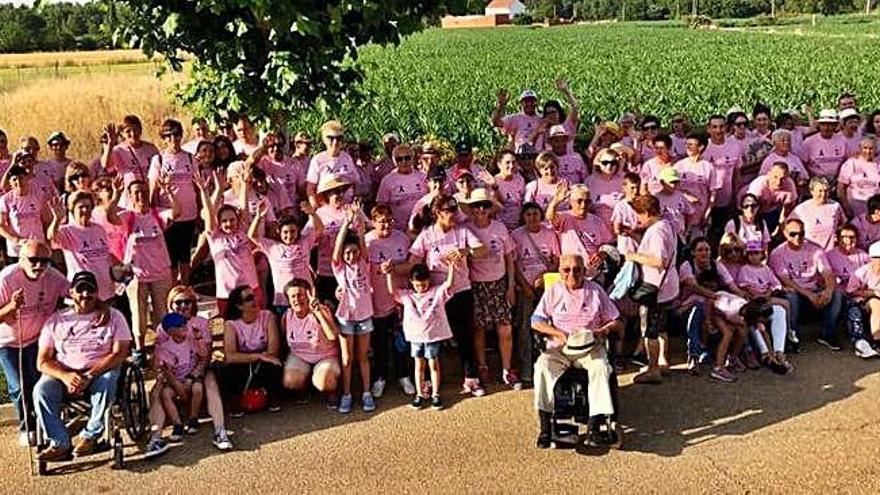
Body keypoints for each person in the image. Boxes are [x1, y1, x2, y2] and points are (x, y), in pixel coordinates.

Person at [33, 271, 132, 461]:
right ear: (71, 292)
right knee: (41, 390)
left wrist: (90, 375)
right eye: (80, 289)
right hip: (63, 374)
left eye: (90, 289)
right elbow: (42, 361)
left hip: (99, 371)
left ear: (97, 292)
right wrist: (66, 376)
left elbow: (120, 353)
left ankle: (91, 435)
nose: (85, 294)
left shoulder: (115, 317)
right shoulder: (56, 320)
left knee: (109, 379)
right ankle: (59, 442)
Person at [531, 254, 622, 448]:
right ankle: (546, 427)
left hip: (589, 347)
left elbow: (616, 320)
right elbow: (536, 321)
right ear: (560, 272)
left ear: (584, 270)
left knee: (601, 367)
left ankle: (595, 426)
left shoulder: (595, 291)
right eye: (566, 269)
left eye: (577, 269)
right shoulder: (553, 291)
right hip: (560, 348)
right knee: (541, 367)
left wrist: (602, 331)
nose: (572, 274)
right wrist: (557, 333)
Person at [408, 194, 488, 396]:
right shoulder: (426, 236)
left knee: (465, 336)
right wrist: (389, 270)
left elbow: (482, 250)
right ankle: (426, 382)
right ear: (437, 213)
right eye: (448, 209)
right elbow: (412, 263)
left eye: (454, 208)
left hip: (461, 290)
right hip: (434, 296)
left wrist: (465, 251)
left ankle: (471, 379)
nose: (453, 213)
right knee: (430, 339)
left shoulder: (462, 232)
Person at [0, 241, 69, 446]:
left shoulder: (53, 277)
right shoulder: (7, 278)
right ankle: (27, 427)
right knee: (19, 386)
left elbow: (73, 293)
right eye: (33, 260)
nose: (39, 265)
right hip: (9, 341)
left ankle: (46, 425)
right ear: (21, 259)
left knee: (41, 385)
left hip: (39, 338)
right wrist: (11, 307)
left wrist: (99, 307)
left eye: (44, 261)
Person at [154, 286, 231, 450]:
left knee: (209, 382)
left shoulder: (200, 323)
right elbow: (160, 360)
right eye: (178, 302)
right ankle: (157, 436)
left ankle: (220, 429)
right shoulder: (164, 327)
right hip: (173, 373)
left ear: (193, 304)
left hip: (197, 368)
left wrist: (194, 375)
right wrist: (174, 382)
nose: (183, 306)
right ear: (171, 305)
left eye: (187, 302)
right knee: (159, 389)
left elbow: (206, 355)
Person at [462, 189, 519, 389]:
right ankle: (483, 366)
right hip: (477, 283)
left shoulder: (500, 228)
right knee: (479, 329)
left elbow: (509, 258)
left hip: (499, 282)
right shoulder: (466, 229)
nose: (481, 210)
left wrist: (510, 285)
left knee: (505, 328)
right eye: (477, 206)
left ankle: (506, 368)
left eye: (485, 205)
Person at [118, 179, 179, 353]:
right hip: (136, 274)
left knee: (162, 312)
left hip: (160, 272)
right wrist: (115, 195)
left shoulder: (157, 214)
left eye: (144, 191)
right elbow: (110, 216)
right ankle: (140, 349)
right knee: (138, 314)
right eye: (136, 192)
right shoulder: (128, 217)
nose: (141, 195)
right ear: (130, 195)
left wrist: (170, 193)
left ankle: (164, 347)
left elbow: (177, 212)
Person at [386, 261, 457, 410]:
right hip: (415, 337)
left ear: (428, 281)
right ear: (412, 282)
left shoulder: (436, 292)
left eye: (424, 284)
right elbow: (392, 291)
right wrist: (389, 273)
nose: (421, 287)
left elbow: (449, 284)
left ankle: (436, 394)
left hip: (432, 336)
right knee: (419, 365)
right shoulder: (407, 295)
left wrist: (451, 267)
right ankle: (419, 394)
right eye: (417, 285)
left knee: (433, 364)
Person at [625, 194, 679, 384]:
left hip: (656, 287)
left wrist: (632, 256)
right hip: (668, 284)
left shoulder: (656, 231)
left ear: (647, 213)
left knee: (650, 329)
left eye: (639, 214)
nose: (638, 219)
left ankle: (653, 368)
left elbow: (658, 261)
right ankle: (662, 361)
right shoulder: (667, 225)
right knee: (662, 325)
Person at [194, 174, 263, 316]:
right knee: (231, 328)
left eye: (232, 220)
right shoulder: (215, 237)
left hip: (251, 287)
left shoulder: (244, 231)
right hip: (227, 293)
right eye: (224, 221)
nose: (229, 223)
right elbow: (209, 212)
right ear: (219, 223)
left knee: (256, 325)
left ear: (237, 220)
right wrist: (207, 191)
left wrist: (244, 183)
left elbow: (243, 208)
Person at [770, 218, 842, 352]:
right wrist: (809, 295)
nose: (798, 237)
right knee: (791, 296)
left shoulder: (815, 250)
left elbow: (827, 273)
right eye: (793, 234)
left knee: (836, 293)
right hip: (796, 293)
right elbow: (786, 280)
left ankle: (827, 334)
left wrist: (828, 290)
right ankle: (792, 337)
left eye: (801, 233)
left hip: (814, 291)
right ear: (785, 233)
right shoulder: (777, 254)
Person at [330, 204, 376, 413]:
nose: (350, 256)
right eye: (347, 253)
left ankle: (366, 393)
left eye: (354, 252)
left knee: (363, 356)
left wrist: (358, 225)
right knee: (346, 358)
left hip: (364, 315)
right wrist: (346, 223)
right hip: (346, 317)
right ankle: (346, 394)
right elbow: (337, 249)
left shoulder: (364, 263)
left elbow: (363, 244)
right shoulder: (339, 268)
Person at [364, 204, 414, 396]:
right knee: (380, 342)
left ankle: (404, 376)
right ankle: (379, 378)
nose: (386, 225)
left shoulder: (402, 238)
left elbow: (411, 265)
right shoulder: (367, 241)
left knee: (401, 342)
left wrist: (395, 269)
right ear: (373, 222)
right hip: (377, 301)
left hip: (401, 300)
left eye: (389, 220)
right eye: (381, 222)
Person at [149, 119, 200, 284]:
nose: (173, 139)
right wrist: (152, 216)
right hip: (169, 216)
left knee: (185, 255)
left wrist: (200, 211)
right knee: (171, 256)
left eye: (176, 135)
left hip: (189, 214)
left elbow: (197, 186)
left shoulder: (190, 158)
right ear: (163, 139)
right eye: (169, 136)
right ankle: (171, 289)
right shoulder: (159, 160)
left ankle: (185, 287)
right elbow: (152, 189)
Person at [248, 201, 323, 314]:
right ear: (279, 232)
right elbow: (252, 235)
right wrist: (258, 217)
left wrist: (312, 214)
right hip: (282, 300)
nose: (289, 235)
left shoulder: (305, 242)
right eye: (285, 232)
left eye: (292, 231)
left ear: (298, 230)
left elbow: (320, 228)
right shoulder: (272, 247)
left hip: (306, 298)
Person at [47, 191, 118, 305]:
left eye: (88, 207)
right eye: (81, 207)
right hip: (83, 294)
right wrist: (57, 219)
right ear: (73, 210)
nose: (85, 210)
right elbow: (51, 236)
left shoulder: (99, 229)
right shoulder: (67, 231)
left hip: (106, 292)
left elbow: (106, 256)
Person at [221, 285, 283, 415]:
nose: (255, 300)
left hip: (263, 361)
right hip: (247, 361)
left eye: (254, 296)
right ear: (239, 306)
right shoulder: (231, 324)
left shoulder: (267, 316)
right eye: (249, 298)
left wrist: (261, 358)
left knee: (272, 365)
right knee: (229, 370)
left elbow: (273, 351)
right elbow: (230, 356)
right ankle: (236, 403)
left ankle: (271, 397)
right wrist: (258, 356)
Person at [280, 279, 341, 405]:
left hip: (325, 355)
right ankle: (306, 385)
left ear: (308, 295)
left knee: (324, 382)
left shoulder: (321, 310)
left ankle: (333, 389)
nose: (297, 299)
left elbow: (332, 336)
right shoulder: (287, 316)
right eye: (293, 296)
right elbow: (284, 335)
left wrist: (318, 312)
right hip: (300, 355)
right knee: (290, 381)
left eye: (300, 295)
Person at [547, 182, 614, 278]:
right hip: (571, 273)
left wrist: (603, 253)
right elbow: (550, 217)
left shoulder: (597, 221)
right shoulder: (564, 217)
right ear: (570, 202)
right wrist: (556, 201)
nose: (583, 205)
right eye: (579, 201)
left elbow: (609, 243)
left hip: (594, 274)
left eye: (587, 201)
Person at [100, 115, 159, 208]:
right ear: (122, 134)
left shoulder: (151, 149)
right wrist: (110, 143)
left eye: (136, 129)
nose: (133, 134)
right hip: (129, 201)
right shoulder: (118, 150)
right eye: (128, 131)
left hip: (149, 198)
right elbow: (105, 165)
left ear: (140, 130)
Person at [0, 164, 50, 264]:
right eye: (14, 179)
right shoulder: (6, 200)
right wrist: (16, 240)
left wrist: (47, 242)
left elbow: (46, 221)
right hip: (17, 250)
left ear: (27, 179)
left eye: (21, 178)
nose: (18, 182)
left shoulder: (38, 196)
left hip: (37, 248)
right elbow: (1, 225)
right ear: (10, 182)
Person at [306, 120, 360, 207]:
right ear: (324, 139)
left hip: (346, 206)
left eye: (339, 138)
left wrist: (355, 200)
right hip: (325, 207)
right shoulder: (317, 160)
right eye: (331, 138)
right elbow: (310, 188)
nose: (335, 142)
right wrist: (315, 208)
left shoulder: (347, 158)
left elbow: (355, 182)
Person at [674, 132, 717, 238]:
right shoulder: (679, 166)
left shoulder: (708, 167)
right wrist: (685, 195)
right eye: (686, 144)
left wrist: (707, 213)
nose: (688, 147)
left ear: (701, 147)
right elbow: (671, 188)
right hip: (681, 216)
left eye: (691, 144)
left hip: (699, 216)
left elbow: (713, 192)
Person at [702, 114, 744, 223]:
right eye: (714, 127)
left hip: (727, 201)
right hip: (707, 202)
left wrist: (736, 196)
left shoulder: (735, 146)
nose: (718, 130)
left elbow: (737, 172)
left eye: (721, 126)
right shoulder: (703, 148)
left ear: (726, 128)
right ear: (708, 129)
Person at [375, 144, 427, 231]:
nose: (403, 162)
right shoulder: (387, 180)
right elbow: (381, 205)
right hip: (399, 228)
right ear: (394, 161)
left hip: (422, 226)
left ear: (412, 158)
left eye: (407, 158)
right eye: (399, 159)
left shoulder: (422, 177)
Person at [789, 176, 846, 251]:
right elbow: (790, 228)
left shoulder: (835, 206)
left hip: (830, 251)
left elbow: (842, 224)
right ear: (812, 191)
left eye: (826, 191)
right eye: (820, 191)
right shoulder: (801, 209)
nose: (823, 194)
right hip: (809, 252)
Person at [844, 241, 880, 358]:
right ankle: (876, 341)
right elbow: (850, 291)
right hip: (862, 302)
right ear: (872, 258)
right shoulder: (861, 272)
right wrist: (870, 293)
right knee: (875, 303)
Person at [837, 136, 880, 218]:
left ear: (875, 149)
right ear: (860, 148)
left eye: (871, 148)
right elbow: (841, 189)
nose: (868, 151)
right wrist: (846, 208)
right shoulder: (850, 163)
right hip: (854, 208)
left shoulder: (878, 164)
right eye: (865, 148)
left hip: (875, 209)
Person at [585, 148, 624, 228]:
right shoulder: (589, 181)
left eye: (613, 163)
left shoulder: (623, 180)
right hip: (596, 226)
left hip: (618, 227)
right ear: (599, 163)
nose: (609, 166)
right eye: (605, 163)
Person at [803, 109, 847, 179]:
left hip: (836, 179)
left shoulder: (842, 140)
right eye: (823, 124)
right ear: (819, 125)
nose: (826, 128)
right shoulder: (809, 142)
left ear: (834, 126)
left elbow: (845, 161)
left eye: (830, 124)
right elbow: (803, 163)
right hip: (816, 180)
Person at [494, 150, 526, 231]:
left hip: (519, 226)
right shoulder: (494, 181)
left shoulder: (520, 179)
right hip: (501, 226)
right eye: (507, 162)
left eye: (513, 162)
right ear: (499, 165)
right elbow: (496, 207)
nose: (511, 166)